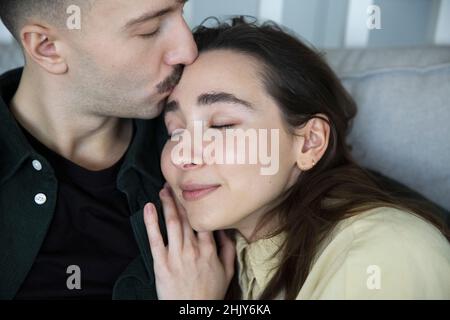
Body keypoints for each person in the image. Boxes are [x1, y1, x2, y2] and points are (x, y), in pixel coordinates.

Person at [144, 18, 450, 300]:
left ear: (309, 142)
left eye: (222, 125)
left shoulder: (384, 253)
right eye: (175, 132)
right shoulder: (214, 262)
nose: (184, 155)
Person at [0, 0, 197, 300]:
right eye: (149, 29)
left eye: (181, 12)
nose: (188, 50)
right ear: (47, 47)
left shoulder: (204, 153)